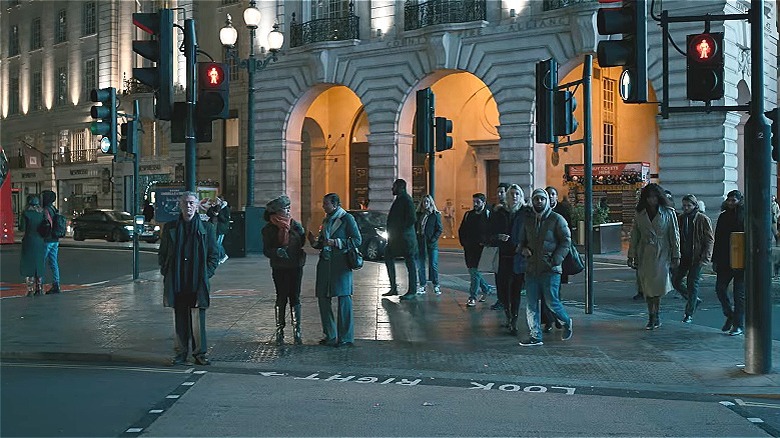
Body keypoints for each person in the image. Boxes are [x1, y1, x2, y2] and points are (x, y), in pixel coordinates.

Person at [159, 191, 220, 365]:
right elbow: (163, 254)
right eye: (185, 203)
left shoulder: (206, 228)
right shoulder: (170, 228)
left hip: (196, 281)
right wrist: (166, 270)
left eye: (192, 203)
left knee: (197, 320)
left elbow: (213, 256)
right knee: (180, 318)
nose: (188, 206)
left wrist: (205, 274)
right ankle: (181, 353)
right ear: (180, 205)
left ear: (197, 206)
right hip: (177, 280)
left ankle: (200, 353)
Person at [517, 188, 574, 346]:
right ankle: (535, 335)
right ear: (533, 201)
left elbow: (566, 241)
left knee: (551, 302)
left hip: (550, 269)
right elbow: (521, 241)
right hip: (531, 269)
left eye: (542, 199)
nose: (539, 201)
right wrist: (523, 249)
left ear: (547, 201)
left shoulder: (557, 219)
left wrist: (556, 259)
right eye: (536, 199)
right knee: (531, 304)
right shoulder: (528, 221)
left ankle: (566, 321)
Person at [308, 193, 361, 347]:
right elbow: (324, 242)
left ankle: (345, 337)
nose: (323, 206)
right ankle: (330, 334)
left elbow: (357, 240)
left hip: (341, 264)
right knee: (323, 297)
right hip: (325, 263)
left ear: (335, 204)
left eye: (326, 203)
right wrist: (314, 242)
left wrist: (336, 242)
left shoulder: (346, 219)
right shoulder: (326, 220)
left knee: (344, 298)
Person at [627, 183, 681, 330]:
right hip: (644, 252)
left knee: (658, 286)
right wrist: (631, 255)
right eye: (649, 197)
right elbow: (635, 235)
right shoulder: (640, 213)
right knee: (647, 286)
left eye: (655, 197)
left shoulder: (668, 212)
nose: (652, 200)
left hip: (662, 251)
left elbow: (674, 235)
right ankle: (651, 315)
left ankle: (655, 314)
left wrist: (676, 255)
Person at [262, 195, 307, 346]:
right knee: (281, 297)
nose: (288, 212)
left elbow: (301, 243)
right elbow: (267, 250)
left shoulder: (294, 225)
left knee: (295, 297)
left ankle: (297, 330)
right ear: (276, 213)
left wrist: (302, 233)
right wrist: (277, 252)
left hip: (295, 266)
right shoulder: (268, 229)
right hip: (279, 267)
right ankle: (280, 329)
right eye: (284, 209)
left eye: (288, 208)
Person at [493, 184, 529, 335]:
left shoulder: (525, 213)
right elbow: (489, 233)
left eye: (517, 194)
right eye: (512, 194)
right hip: (503, 257)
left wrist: (523, 246)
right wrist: (498, 237)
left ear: (521, 196)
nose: (514, 197)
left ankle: (513, 319)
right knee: (503, 291)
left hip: (518, 257)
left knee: (515, 290)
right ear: (507, 196)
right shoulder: (500, 213)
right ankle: (508, 314)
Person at [672, 194, 713, 323]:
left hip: (697, 257)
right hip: (683, 256)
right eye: (684, 205)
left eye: (688, 205)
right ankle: (693, 299)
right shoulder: (681, 218)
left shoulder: (702, 219)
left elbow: (709, 240)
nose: (686, 208)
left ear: (695, 206)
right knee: (676, 281)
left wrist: (705, 257)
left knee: (692, 283)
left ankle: (688, 313)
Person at [712, 190, 746, 336]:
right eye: (729, 200)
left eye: (734, 200)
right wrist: (715, 259)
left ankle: (738, 324)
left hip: (741, 259)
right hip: (725, 259)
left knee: (739, 294)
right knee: (720, 288)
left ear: (740, 201)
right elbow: (718, 239)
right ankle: (730, 315)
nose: (731, 203)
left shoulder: (745, 216)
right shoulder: (723, 217)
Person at [382, 179, 418, 300]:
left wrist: (400, 230)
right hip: (397, 239)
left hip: (405, 239)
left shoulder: (406, 200)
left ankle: (412, 290)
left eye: (394, 186)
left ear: (400, 187)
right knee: (388, 257)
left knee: (410, 263)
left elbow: (412, 218)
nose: (392, 189)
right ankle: (393, 287)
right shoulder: (400, 199)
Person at [459, 193, 492, 307]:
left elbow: (490, 230)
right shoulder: (468, 214)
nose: (475, 204)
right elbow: (462, 229)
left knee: (475, 272)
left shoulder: (487, 215)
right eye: (474, 202)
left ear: (484, 202)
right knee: (473, 271)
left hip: (481, 248)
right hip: (469, 248)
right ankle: (486, 289)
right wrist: (463, 243)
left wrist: (486, 242)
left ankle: (472, 296)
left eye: (478, 202)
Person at [487, 183, 510, 310]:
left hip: (510, 249)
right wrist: (496, 237)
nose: (499, 195)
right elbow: (489, 229)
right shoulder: (495, 210)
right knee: (499, 276)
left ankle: (508, 301)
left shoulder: (512, 210)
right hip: (498, 248)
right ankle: (501, 300)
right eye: (498, 192)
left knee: (509, 279)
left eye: (502, 192)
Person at [415, 194, 443, 295]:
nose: (425, 204)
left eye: (427, 201)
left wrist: (433, 239)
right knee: (421, 265)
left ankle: (436, 285)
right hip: (421, 242)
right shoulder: (418, 214)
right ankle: (422, 285)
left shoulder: (435, 215)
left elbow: (439, 229)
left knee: (433, 264)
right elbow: (415, 227)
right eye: (424, 202)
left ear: (430, 203)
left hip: (431, 243)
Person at [19, 194, 45, 297]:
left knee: (28, 264)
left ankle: (30, 289)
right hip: (40, 241)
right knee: (39, 264)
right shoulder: (42, 213)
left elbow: (22, 228)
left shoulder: (26, 213)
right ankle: (39, 287)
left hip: (29, 240)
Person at [547, 186, 572, 286]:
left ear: (556, 197)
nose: (550, 196)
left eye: (553, 194)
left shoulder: (563, 209)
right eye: (548, 194)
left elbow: (568, 227)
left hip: (560, 243)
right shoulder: (542, 209)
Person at [40, 190, 62, 294]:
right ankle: (56, 284)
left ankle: (39, 285)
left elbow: (44, 224)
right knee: (53, 262)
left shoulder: (45, 210)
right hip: (55, 239)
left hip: (47, 239)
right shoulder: (54, 209)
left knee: (41, 262)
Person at [207, 196, 231, 264]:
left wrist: (218, 214)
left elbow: (226, 219)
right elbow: (208, 214)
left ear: (220, 201)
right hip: (213, 227)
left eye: (217, 200)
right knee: (215, 243)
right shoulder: (215, 207)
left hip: (220, 228)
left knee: (218, 243)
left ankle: (223, 255)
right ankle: (219, 256)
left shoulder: (225, 209)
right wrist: (211, 208)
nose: (216, 201)